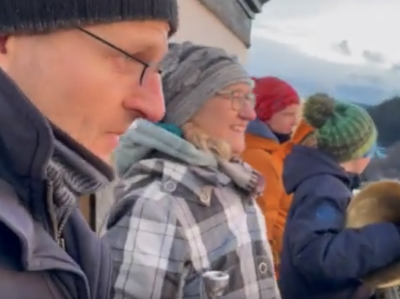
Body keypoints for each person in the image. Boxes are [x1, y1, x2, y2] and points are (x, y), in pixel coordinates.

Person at [0, 0, 177, 298]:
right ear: (1, 38)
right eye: (133, 58)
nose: (154, 108)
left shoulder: (69, 229)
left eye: (158, 71)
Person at [103, 42, 281, 299]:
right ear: (188, 107)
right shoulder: (158, 205)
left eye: (249, 97)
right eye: (235, 97)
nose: (250, 113)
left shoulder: (229, 183)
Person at [278, 93, 400, 299]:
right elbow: (318, 258)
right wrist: (393, 237)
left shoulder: (323, 183)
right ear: (359, 153)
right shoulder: (324, 188)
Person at [242, 76, 300, 273]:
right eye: (287, 114)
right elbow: (267, 221)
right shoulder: (260, 158)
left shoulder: (269, 151)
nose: (294, 122)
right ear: (264, 113)